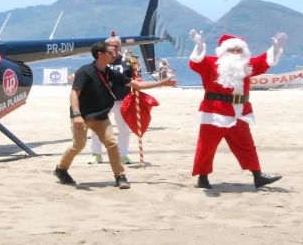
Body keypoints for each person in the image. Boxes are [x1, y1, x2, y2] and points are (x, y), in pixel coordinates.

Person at [54, 41, 177, 189]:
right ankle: (61, 169)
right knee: (78, 146)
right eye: (111, 53)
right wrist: (77, 115)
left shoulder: (109, 72)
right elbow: (74, 94)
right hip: (82, 116)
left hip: (101, 117)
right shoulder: (84, 71)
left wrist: (162, 83)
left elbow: (136, 85)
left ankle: (120, 176)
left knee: (112, 144)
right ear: (100, 54)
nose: (115, 55)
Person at [188, 29, 285, 190]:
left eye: (239, 50)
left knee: (246, 145)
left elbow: (263, 62)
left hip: (240, 112)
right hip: (214, 113)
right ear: (223, 51)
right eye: (232, 50)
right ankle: (202, 177)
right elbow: (196, 63)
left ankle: (258, 176)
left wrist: (275, 49)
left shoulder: (246, 66)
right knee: (206, 147)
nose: (236, 53)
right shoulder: (211, 63)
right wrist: (199, 46)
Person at [88, 34, 134, 165]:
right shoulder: (101, 61)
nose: (114, 48)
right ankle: (96, 154)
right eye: (111, 45)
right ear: (106, 47)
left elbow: (134, 79)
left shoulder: (128, 62)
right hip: (103, 100)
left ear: (120, 47)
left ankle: (123, 155)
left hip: (122, 100)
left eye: (117, 45)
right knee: (97, 127)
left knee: (123, 128)